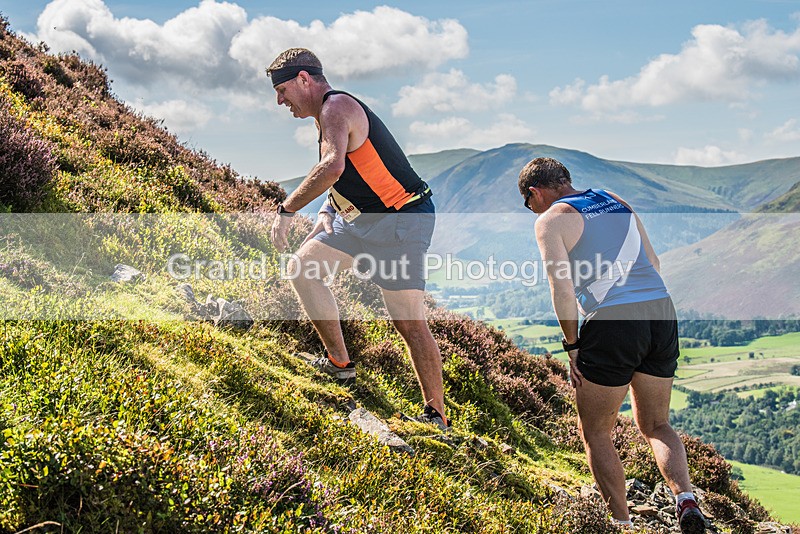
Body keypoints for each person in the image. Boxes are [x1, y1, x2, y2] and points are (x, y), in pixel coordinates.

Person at [518, 157, 705, 533]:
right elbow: (652, 259)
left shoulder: (550, 220)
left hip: (613, 322)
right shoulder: (613, 198)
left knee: (596, 432)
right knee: (656, 424)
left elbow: (562, 288)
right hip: (661, 310)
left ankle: (621, 524)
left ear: (535, 192)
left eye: (527, 203)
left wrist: (572, 344)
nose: (530, 210)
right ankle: (685, 499)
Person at [266, 48, 447, 430]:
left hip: (401, 220)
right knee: (303, 268)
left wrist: (287, 210)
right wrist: (326, 211)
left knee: (409, 322)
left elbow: (332, 167)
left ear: (304, 79)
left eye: (283, 90)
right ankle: (339, 365)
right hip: (359, 222)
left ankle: (437, 416)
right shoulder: (324, 117)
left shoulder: (337, 107)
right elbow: (351, 174)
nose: (280, 101)